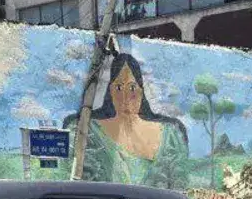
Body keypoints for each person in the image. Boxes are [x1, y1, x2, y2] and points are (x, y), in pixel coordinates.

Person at [65, 54, 191, 187]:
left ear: (141, 92)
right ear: (111, 92)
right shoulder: (86, 131)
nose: (125, 97)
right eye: (118, 87)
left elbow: (181, 188)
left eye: (132, 88)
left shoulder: (171, 136)